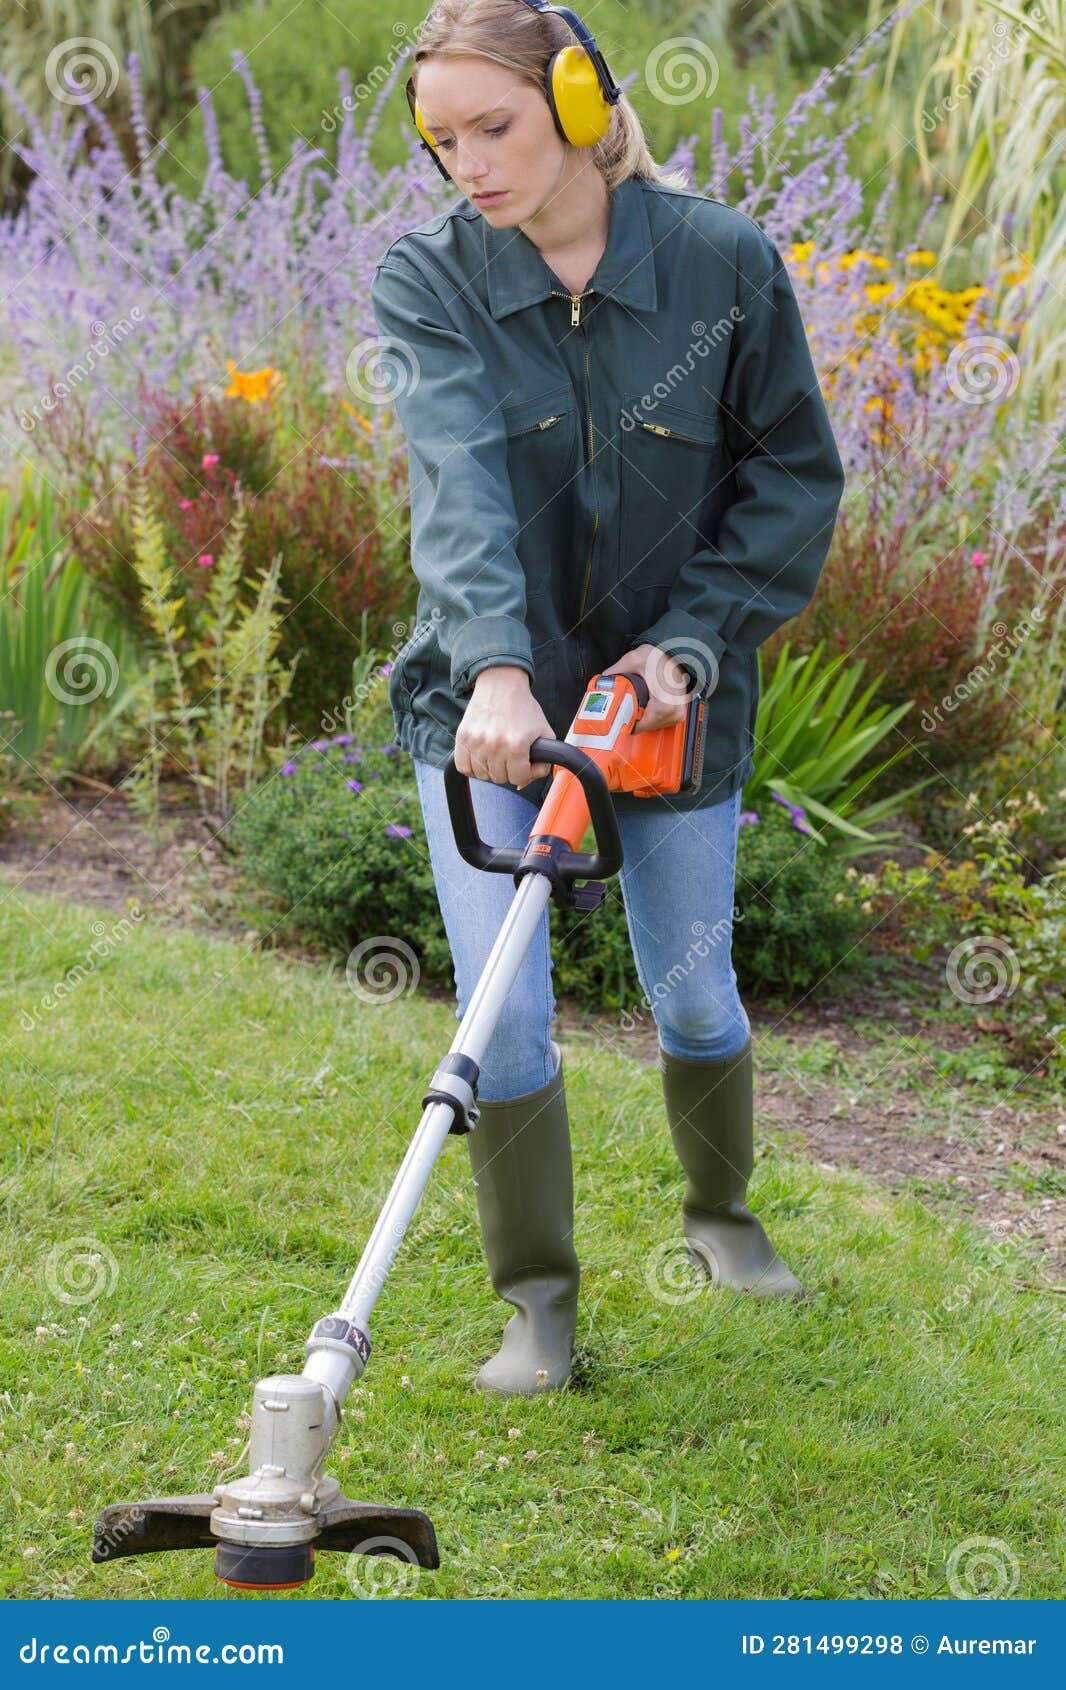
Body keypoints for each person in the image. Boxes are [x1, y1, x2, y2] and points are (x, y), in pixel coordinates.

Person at [370, 0, 846, 1397]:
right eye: (441, 139)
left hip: (669, 705)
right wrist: (497, 671)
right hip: (490, 717)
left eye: (494, 126)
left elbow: (790, 479)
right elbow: (457, 483)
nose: (468, 164)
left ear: (580, 104)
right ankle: (540, 1308)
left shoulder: (720, 263)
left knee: (692, 993)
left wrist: (687, 645)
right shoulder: (430, 278)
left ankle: (722, 1218)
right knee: (503, 1020)